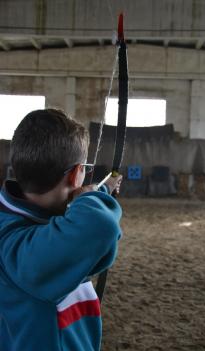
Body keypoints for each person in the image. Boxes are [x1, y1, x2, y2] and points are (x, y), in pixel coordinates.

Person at [0, 109, 123, 351]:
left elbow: (81, 233)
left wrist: (102, 191)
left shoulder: (17, 220)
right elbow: (99, 226)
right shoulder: (16, 246)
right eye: (84, 168)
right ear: (77, 173)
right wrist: (91, 200)